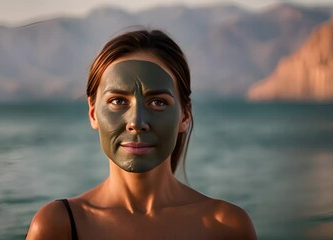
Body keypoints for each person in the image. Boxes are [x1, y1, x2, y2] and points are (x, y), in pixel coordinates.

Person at [26, 29, 257, 240]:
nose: (136, 123)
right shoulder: (57, 226)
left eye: (157, 102)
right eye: (117, 101)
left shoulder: (227, 227)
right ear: (93, 112)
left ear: (185, 115)